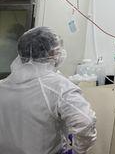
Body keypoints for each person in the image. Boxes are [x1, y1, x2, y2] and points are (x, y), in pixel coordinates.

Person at [0, 26, 97, 154]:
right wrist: (77, 150)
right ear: (52, 53)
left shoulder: (3, 85)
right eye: (58, 49)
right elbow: (86, 122)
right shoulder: (59, 87)